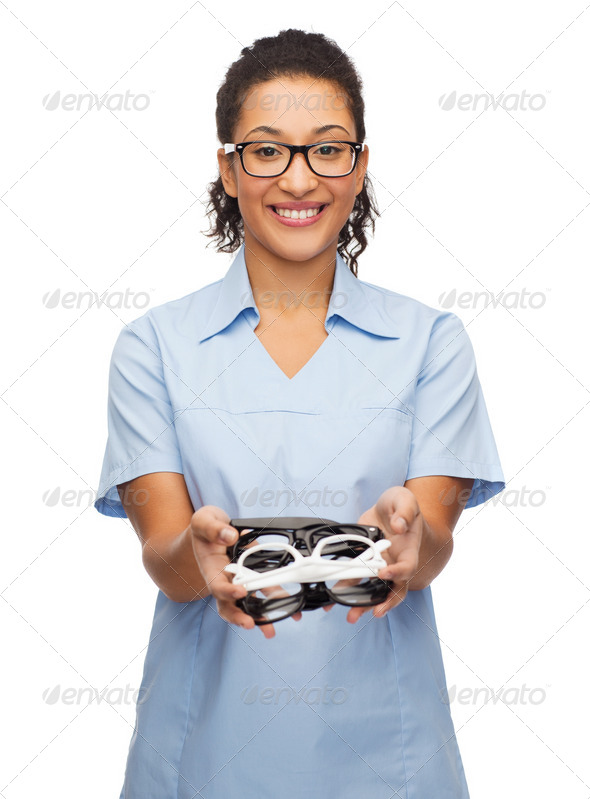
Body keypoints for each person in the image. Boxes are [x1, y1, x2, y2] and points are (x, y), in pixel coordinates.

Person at [94, 28, 505, 799]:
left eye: (327, 148)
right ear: (228, 168)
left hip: (391, 765)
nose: (298, 178)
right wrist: (199, 552)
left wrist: (411, 538)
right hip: (200, 763)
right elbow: (164, 556)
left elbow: (435, 542)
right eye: (267, 149)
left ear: (359, 166)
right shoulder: (152, 347)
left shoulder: (431, 343)